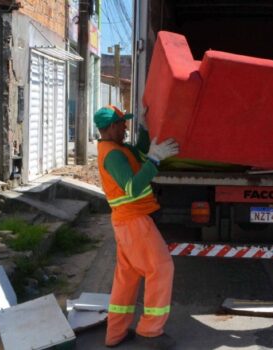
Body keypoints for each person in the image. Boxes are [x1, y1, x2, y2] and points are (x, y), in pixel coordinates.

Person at [94, 105, 179, 348]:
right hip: (134, 221)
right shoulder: (112, 154)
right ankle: (150, 331)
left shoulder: (117, 149)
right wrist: (154, 160)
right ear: (110, 127)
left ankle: (116, 333)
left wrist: (145, 128)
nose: (125, 127)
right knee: (161, 268)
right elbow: (132, 187)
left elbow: (139, 155)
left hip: (126, 222)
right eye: (122, 124)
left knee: (127, 277)